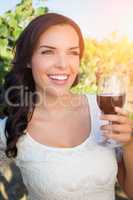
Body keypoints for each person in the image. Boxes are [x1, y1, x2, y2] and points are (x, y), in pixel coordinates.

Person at [0, 12, 133, 200]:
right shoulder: (11, 127)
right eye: (48, 51)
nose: (63, 64)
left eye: (72, 52)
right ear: (29, 60)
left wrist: (129, 144)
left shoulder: (101, 111)